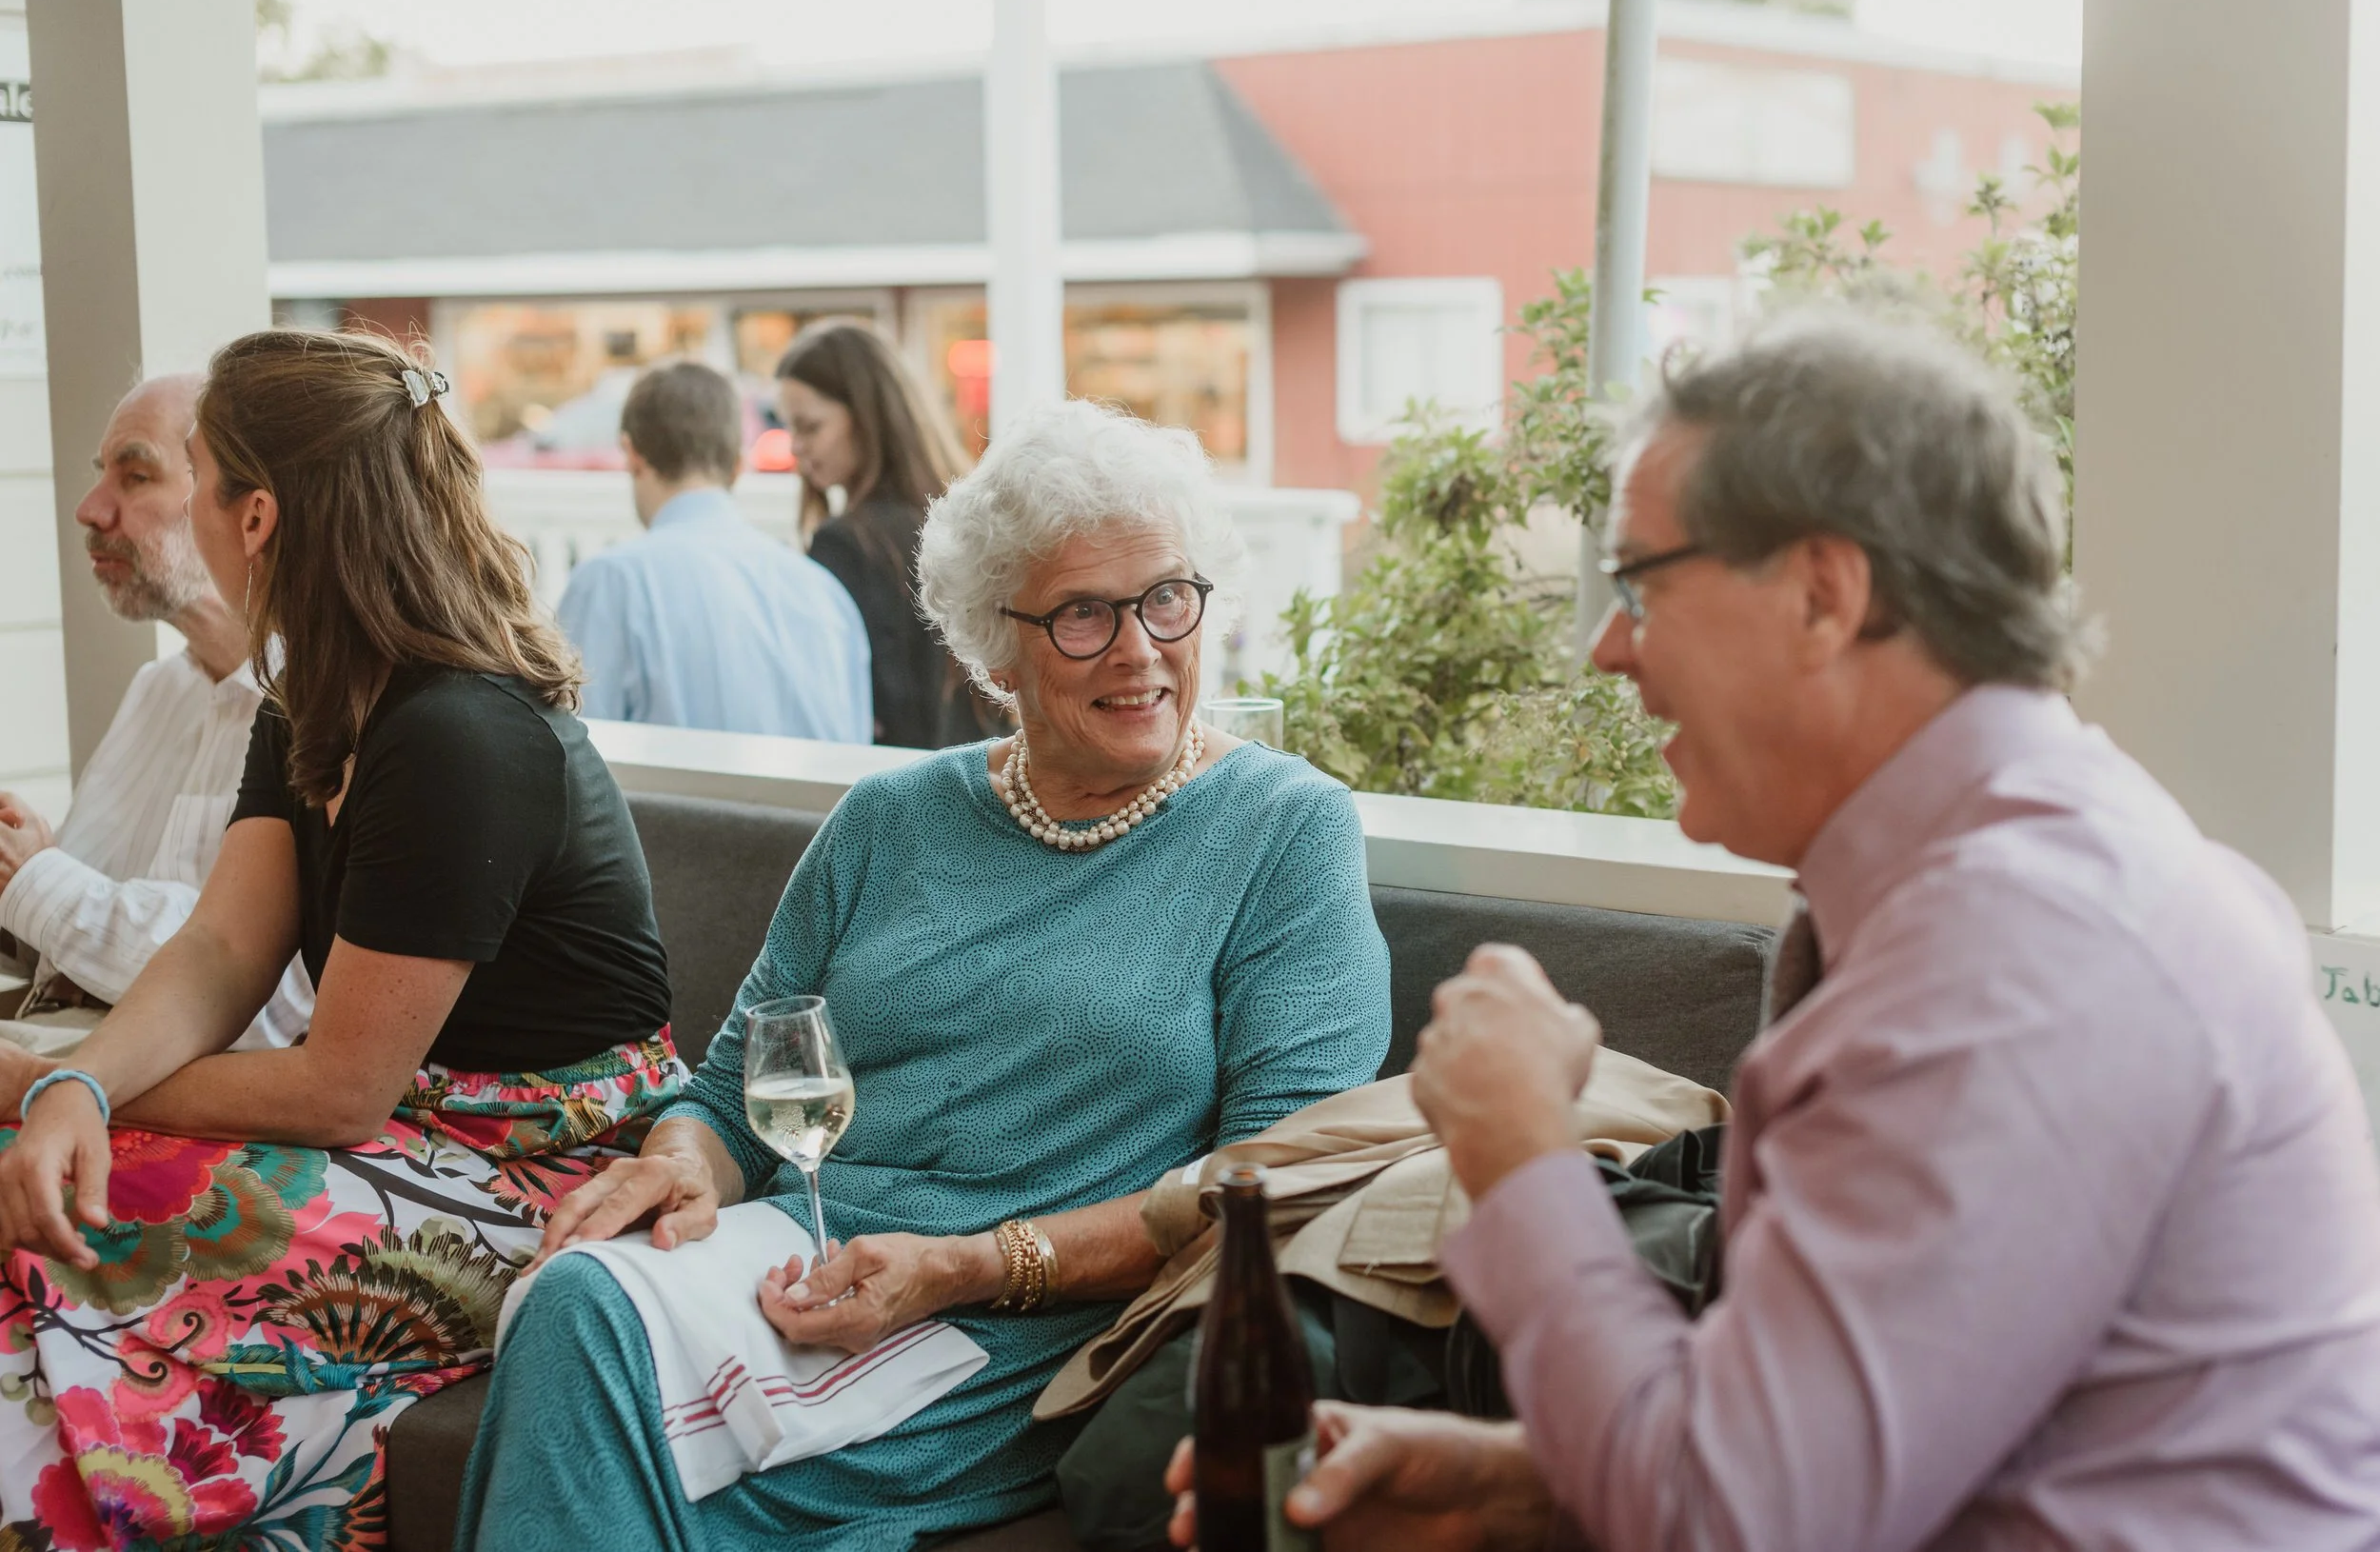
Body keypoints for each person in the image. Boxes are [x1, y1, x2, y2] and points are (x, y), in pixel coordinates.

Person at [1167, 308, 2380, 1551]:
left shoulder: (2019, 957)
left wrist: (1520, 1148)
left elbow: (1740, 1519)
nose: (1605, 648)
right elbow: (1869, 1443)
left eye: (1640, 581)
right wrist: (1516, 1486)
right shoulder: (2014, 881)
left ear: (1823, 592)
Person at [454, 398, 1392, 1549]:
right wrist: (681, 1166)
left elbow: (1269, 1184)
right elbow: (738, 1092)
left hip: (1020, 1327)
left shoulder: (1282, 830)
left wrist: (962, 1265)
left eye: (1164, 597)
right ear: (994, 644)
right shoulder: (889, 819)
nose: (1141, 646)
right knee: (577, 1296)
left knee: (610, 1379)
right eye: (1084, 615)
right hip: (805, 1268)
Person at [0, 328, 686, 1548]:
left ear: (254, 516)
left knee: (93, 1224)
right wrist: (74, 1083)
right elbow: (220, 951)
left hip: (539, 1159)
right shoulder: (310, 693)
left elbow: (336, 1089)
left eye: (199, 479)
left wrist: (68, 1091)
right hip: (413, 1120)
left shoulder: (458, 732)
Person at [0, 374, 310, 1060]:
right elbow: (68, 933)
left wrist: (35, 879)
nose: (89, 509)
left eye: (136, 476)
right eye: (100, 476)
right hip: (58, 1050)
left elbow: (262, 1003)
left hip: (160, 1093)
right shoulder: (156, 689)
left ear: (247, 512)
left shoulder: (314, 712)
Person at [556, 360, 873, 742]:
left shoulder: (609, 583)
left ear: (632, 453)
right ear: (738, 465)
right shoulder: (826, 594)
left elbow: (575, 761)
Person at [778, 320, 1003, 747]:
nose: (795, 446)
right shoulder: (967, 522)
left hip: (897, 786)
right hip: (982, 773)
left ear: (867, 418)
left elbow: (856, 705)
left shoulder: (847, 545)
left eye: (809, 427)